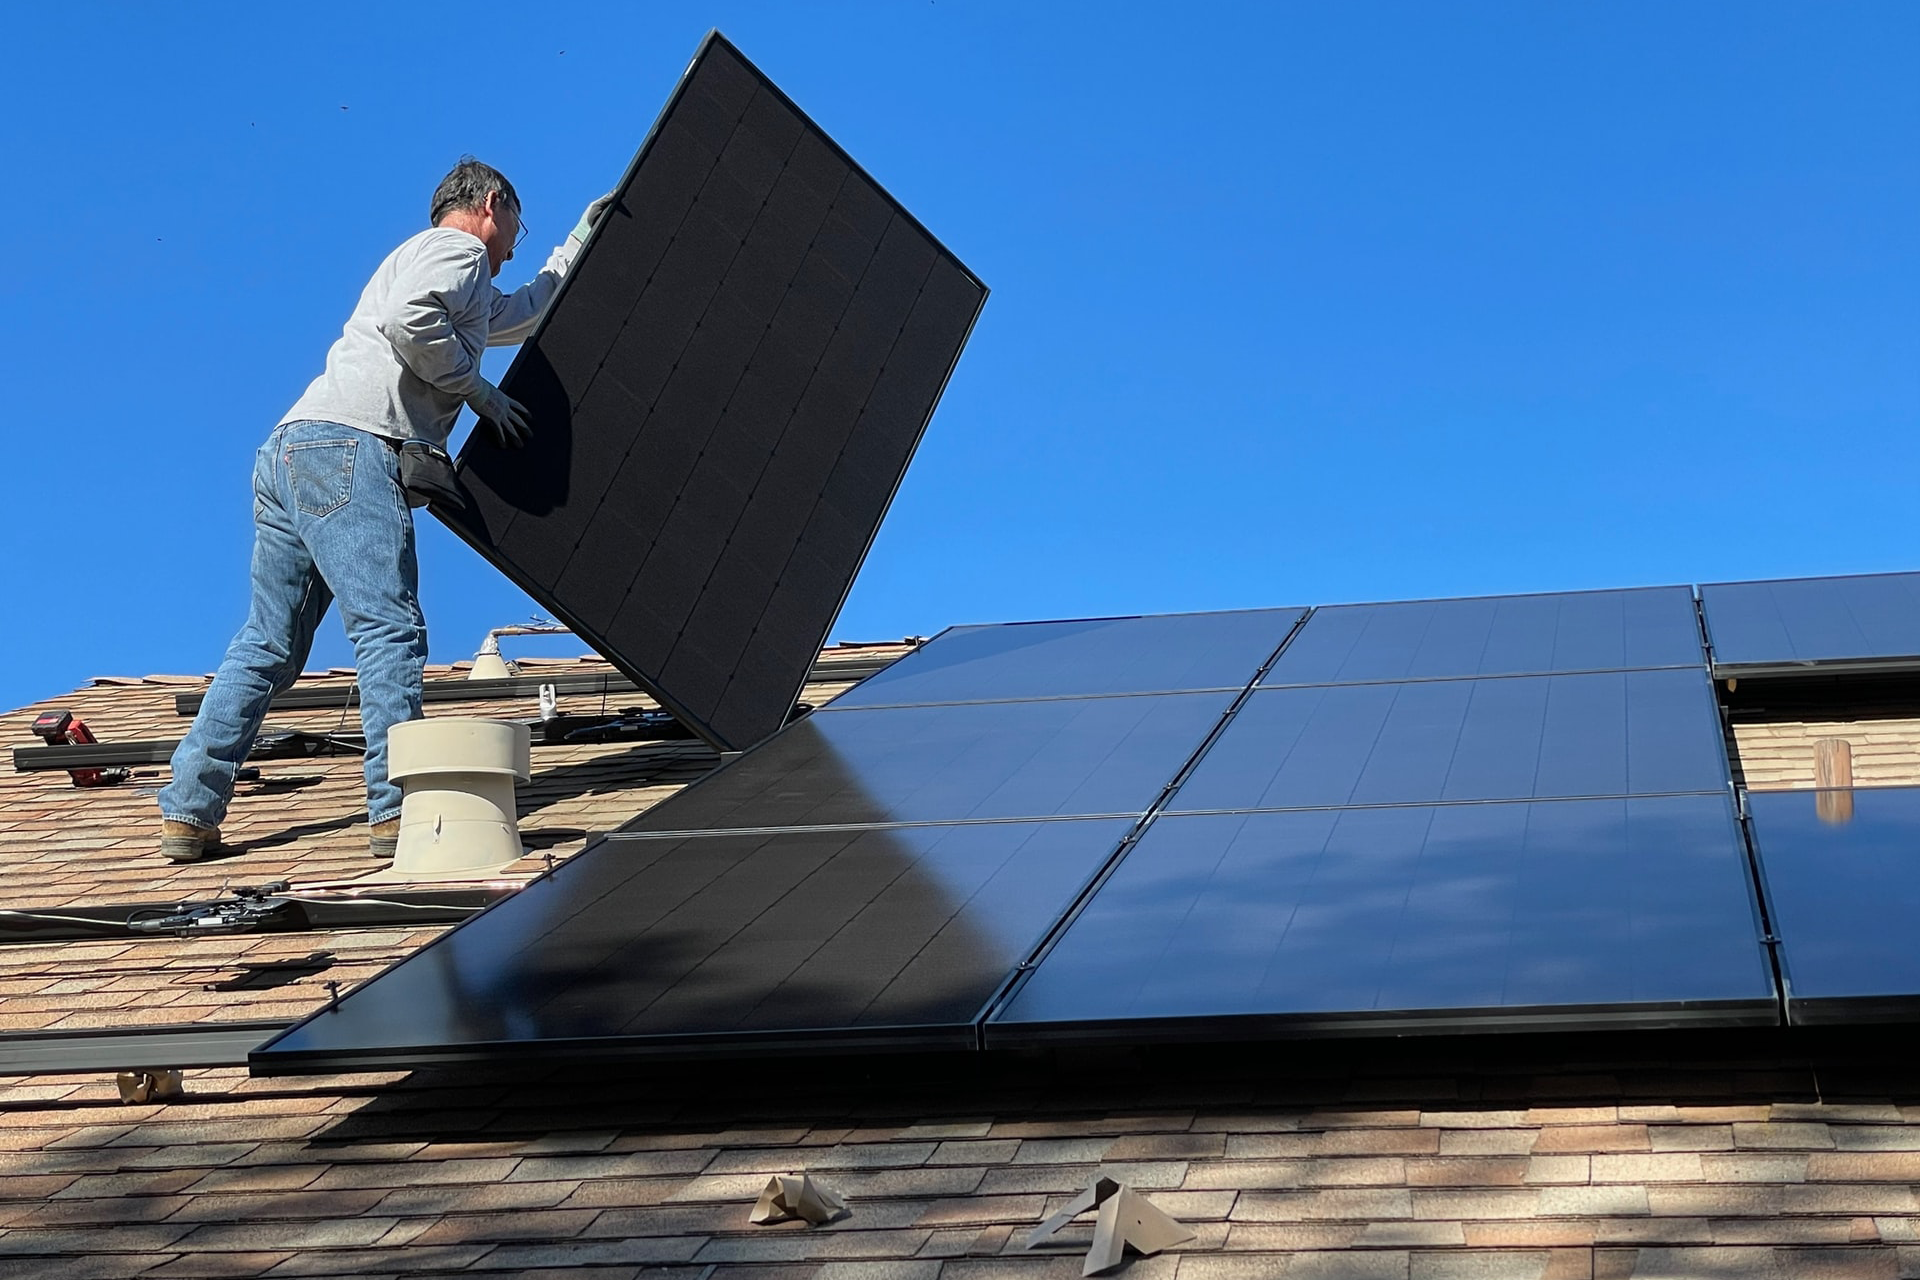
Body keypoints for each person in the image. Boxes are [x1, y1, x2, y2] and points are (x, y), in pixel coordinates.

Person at [158, 158, 611, 862]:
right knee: (388, 627)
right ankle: (397, 812)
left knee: (268, 645)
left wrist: (580, 240)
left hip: (291, 451)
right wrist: (479, 395)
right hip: (351, 448)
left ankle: (189, 808)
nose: (519, 238)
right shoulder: (456, 251)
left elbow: (519, 315)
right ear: (493, 204)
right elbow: (410, 322)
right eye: (521, 222)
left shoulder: (440, 267)